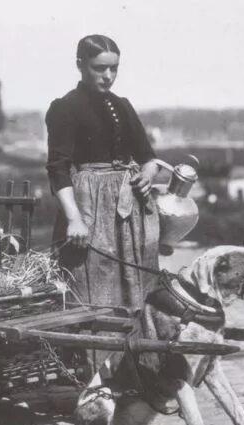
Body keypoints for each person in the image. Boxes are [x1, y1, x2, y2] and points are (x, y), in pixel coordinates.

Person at [46, 34, 161, 312]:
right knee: (92, 277)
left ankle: (136, 336)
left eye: (114, 68)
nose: (108, 76)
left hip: (129, 212)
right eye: (99, 68)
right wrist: (74, 219)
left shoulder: (123, 105)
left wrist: (147, 175)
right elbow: (58, 168)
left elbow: (149, 158)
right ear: (80, 65)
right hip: (89, 208)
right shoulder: (65, 107)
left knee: (135, 280)